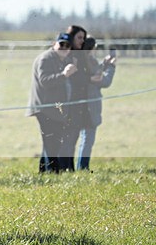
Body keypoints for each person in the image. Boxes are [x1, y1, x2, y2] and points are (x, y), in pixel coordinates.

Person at [26, 32, 77, 173]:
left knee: (50, 142)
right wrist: (64, 75)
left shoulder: (61, 59)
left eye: (68, 46)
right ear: (54, 44)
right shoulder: (46, 58)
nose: (64, 48)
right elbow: (45, 81)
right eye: (62, 44)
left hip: (54, 108)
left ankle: (44, 172)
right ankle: (53, 173)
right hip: (45, 108)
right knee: (52, 142)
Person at [77, 36, 116, 171]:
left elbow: (95, 73)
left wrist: (104, 64)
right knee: (87, 139)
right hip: (90, 106)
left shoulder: (81, 61)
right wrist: (111, 67)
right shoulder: (90, 61)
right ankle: (83, 168)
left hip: (80, 105)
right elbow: (104, 82)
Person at [60, 25, 90, 171]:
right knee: (67, 138)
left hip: (79, 105)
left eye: (83, 38)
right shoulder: (66, 57)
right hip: (68, 104)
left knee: (72, 138)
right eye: (79, 37)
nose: (82, 41)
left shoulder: (80, 56)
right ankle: (63, 168)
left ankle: (69, 168)